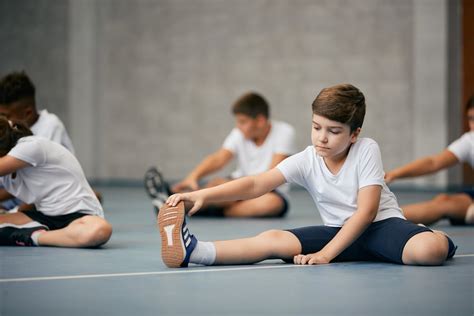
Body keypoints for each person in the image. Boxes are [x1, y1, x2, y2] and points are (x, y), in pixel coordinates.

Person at [157, 84, 456, 268]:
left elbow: (365, 213)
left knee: (430, 251)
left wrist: (325, 255)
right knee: (273, 240)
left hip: (381, 228)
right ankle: (194, 251)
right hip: (336, 232)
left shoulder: (366, 149)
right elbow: (256, 183)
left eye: (334, 131)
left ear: (355, 134)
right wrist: (200, 195)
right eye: (316, 127)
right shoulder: (308, 158)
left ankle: (429, 233)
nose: (322, 138)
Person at [145, 92, 296, 217]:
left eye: (243, 122)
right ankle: (174, 203)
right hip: (239, 183)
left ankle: (183, 206)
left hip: (268, 190)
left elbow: (271, 174)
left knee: (270, 204)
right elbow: (219, 159)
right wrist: (193, 176)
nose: (238, 126)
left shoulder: (284, 131)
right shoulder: (239, 133)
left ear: (261, 121)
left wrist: (234, 193)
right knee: (218, 184)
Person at [0, 117, 112, 247]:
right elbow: (37, 195)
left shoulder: (30, 146)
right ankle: (48, 235)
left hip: (78, 217)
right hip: (44, 216)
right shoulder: (9, 163)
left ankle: (34, 237)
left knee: (100, 230)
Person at [0, 71, 101, 211]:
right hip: (16, 186)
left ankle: (88, 195)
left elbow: (42, 185)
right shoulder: (10, 129)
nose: (2, 120)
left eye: (4, 115)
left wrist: (14, 213)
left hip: (39, 191)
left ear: (27, 113)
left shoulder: (49, 127)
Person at [385, 97, 474, 225]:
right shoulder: (470, 140)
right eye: (471, 119)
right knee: (443, 201)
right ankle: (380, 219)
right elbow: (433, 162)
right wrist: (395, 174)